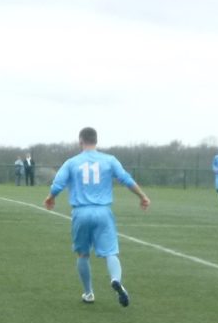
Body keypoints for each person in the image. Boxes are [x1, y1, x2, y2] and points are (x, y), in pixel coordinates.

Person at [45, 127, 149, 307]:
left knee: (82, 254)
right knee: (110, 252)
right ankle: (116, 279)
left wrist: (51, 197)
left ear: (80, 141)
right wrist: (142, 196)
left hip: (81, 212)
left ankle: (88, 293)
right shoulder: (109, 160)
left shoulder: (72, 162)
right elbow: (126, 179)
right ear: (96, 141)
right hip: (103, 212)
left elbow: (58, 184)